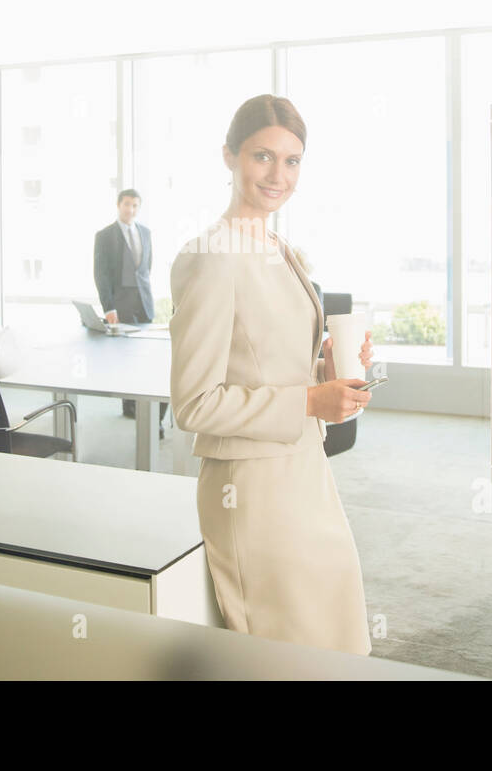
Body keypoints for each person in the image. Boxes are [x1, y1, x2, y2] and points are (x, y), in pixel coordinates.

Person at [167, 94, 374, 655]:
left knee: (337, 635)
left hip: (304, 470)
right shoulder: (213, 256)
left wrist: (327, 371)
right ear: (230, 156)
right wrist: (309, 402)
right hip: (252, 489)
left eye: (292, 161)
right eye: (263, 156)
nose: (277, 174)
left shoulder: (282, 248)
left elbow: (270, 361)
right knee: (288, 649)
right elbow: (194, 403)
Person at [93, 189, 167, 429]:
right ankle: (128, 405)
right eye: (127, 205)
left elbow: (147, 266)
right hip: (120, 301)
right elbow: (101, 274)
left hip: (143, 300)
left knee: (146, 352)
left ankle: (143, 399)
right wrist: (108, 307)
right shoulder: (105, 235)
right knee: (125, 355)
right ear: (118, 205)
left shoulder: (145, 232)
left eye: (135, 205)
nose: (131, 209)